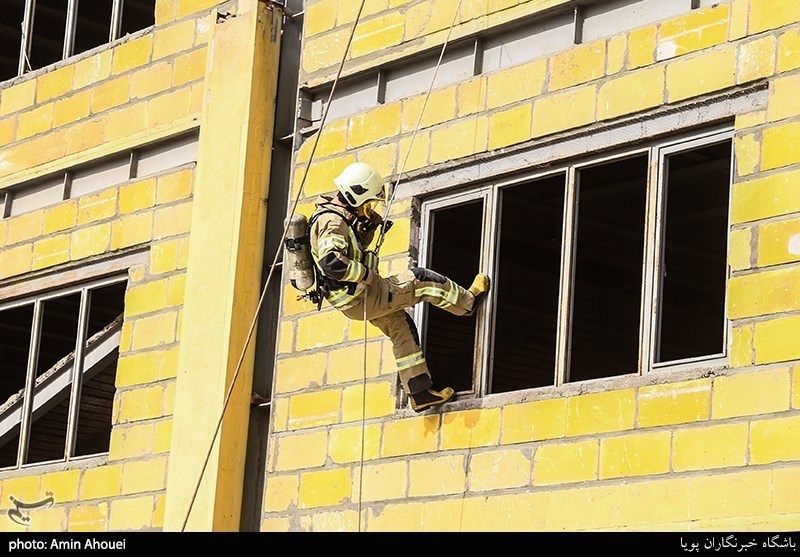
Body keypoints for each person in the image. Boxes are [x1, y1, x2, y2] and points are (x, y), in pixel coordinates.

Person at [307, 162, 490, 412]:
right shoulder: (333, 222)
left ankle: (420, 392)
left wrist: (368, 226)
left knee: (400, 326)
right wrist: (367, 275)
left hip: (353, 300)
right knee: (421, 279)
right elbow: (332, 263)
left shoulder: (338, 216)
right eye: (368, 203)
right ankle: (468, 303)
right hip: (362, 295)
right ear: (356, 195)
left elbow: (349, 249)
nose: (368, 208)